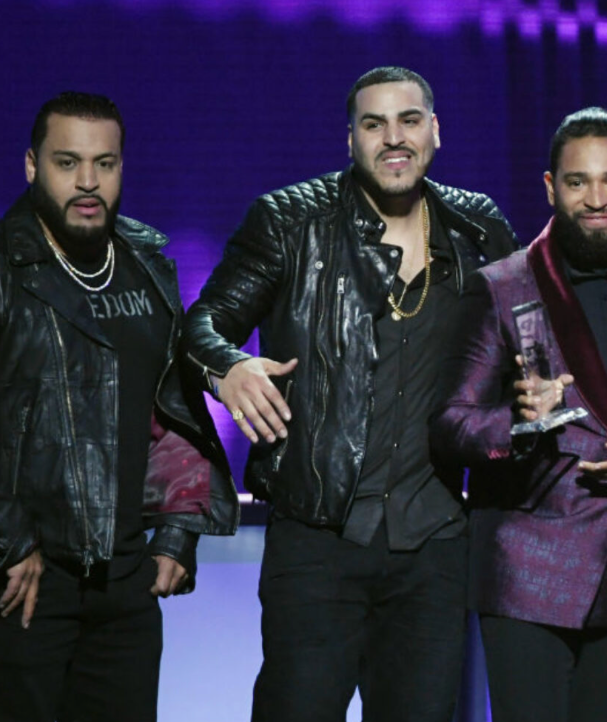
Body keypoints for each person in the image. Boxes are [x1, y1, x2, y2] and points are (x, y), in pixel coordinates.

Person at [182, 66, 516, 722]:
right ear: (351, 139)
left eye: (408, 121)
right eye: (374, 124)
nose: (393, 138)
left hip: (434, 543)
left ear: (435, 130)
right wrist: (229, 368)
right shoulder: (290, 220)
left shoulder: (478, 227)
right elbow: (201, 326)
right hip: (318, 539)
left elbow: (518, 347)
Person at [0, 91, 239, 722]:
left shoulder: (147, 267)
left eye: (105, 163)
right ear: (31, 166)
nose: (88, 181)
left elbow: (170, 405)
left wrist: (177, 529)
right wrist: (10, 539)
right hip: (18, 576)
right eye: (67, 162)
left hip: (122, 582)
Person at [431, 107, 607, 722]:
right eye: (578, 182)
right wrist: (520, 423)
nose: (596, 199)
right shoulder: (503, 285)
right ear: (551, 188)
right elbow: (450, 422)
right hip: (528, 569)